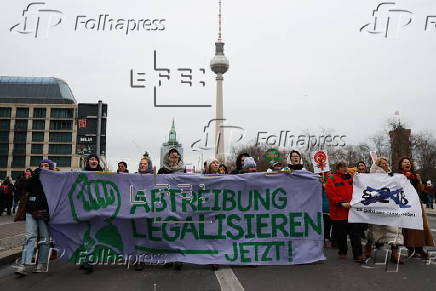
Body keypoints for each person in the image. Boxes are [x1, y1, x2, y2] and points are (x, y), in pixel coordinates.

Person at [14, 160, 54, 276]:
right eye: (42, 165)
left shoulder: (55, 180)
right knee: (29, 237)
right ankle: (23, 265)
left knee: (44, 239)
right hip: (31, 211)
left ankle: (41, 264)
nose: (43, 167)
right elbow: (23, 187)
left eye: (46, 165)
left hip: (45, 213)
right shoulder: (34, 177)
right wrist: (29, 177)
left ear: (50, 168)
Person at [364, 157, 404, 263]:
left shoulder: (391, 176)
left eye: (386, 163)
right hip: (378, 206)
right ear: (378, 165)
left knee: (394, 230)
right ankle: (368, 246)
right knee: (375, 229)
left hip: (391, 206)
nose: (385, 165)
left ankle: (395, 253)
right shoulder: (373, 176)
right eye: (382, 163)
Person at [324, 162, 364, 262]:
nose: (345, 168)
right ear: (338, 168)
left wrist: (357, 178)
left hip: (352, 212)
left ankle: (358, 255)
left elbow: (360, 188)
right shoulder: (332, 179)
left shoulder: (351, 177)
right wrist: (341, 203)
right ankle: (342, 251)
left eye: (346, 167)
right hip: (339, 213)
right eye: (342, 167)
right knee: (341, 235)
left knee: (355, 234)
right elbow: (331, 194)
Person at [398, 157, 435, 258]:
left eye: (408, 162)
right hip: (404, 204)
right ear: (401, 165)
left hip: (416, 203)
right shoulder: (397, 176)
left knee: (420, 225)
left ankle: (420, 248)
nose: (407, 163)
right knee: (407, 227)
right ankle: (411, 248)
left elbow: (422, 189)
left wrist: (418, 180)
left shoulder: (415, 176)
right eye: (405, 162)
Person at [158, 149, 184, 271]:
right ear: (168, 158)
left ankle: (178, 258)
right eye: (172, 157)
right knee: (166, 231)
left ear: (179, 158)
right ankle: (168, 257)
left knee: (178, 231)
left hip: (179, 203)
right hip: (165, 203)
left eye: (176, 157)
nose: (174, 159)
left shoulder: (183, 170)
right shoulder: (161, 171)